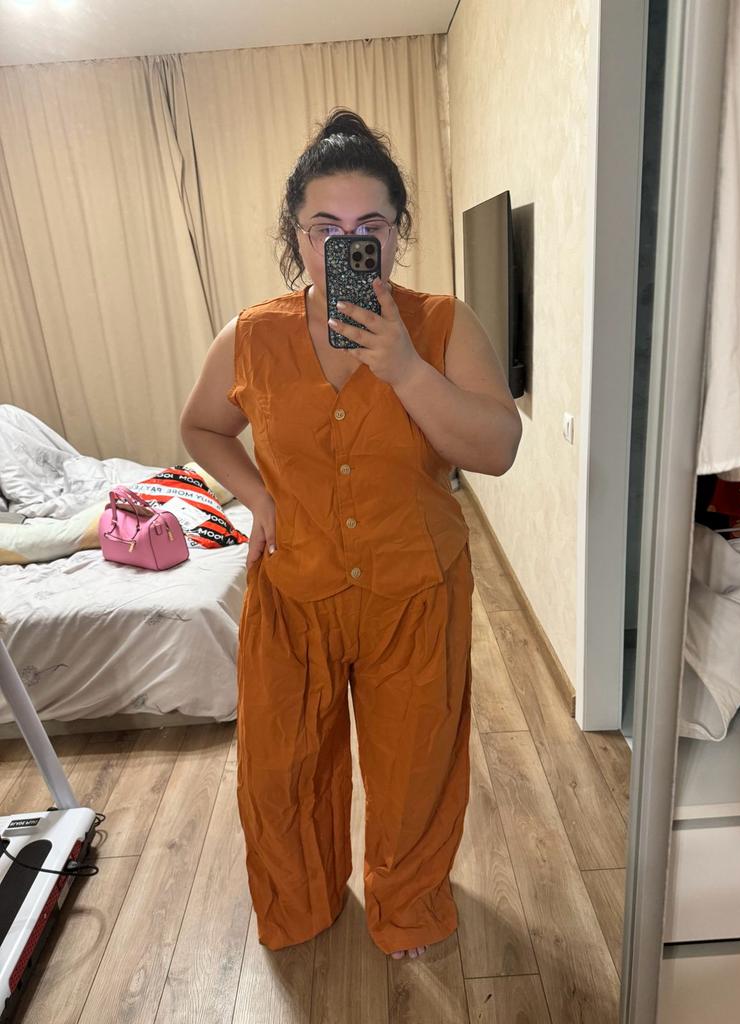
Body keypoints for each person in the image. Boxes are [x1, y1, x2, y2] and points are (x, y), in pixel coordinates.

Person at [180, 108, 522, 961]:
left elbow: (496, 449)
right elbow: (201, 427)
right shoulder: (252, 335)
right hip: (293, 590)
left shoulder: (441, 323)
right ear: (295, 236)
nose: (348, 243)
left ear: (397, 231)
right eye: (325, 228)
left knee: (415, 766)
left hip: (415, 590)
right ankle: (298, 902)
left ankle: (407, 906)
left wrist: (403, 367)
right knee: (282, 767)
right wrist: (258, 498)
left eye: (370, 226)